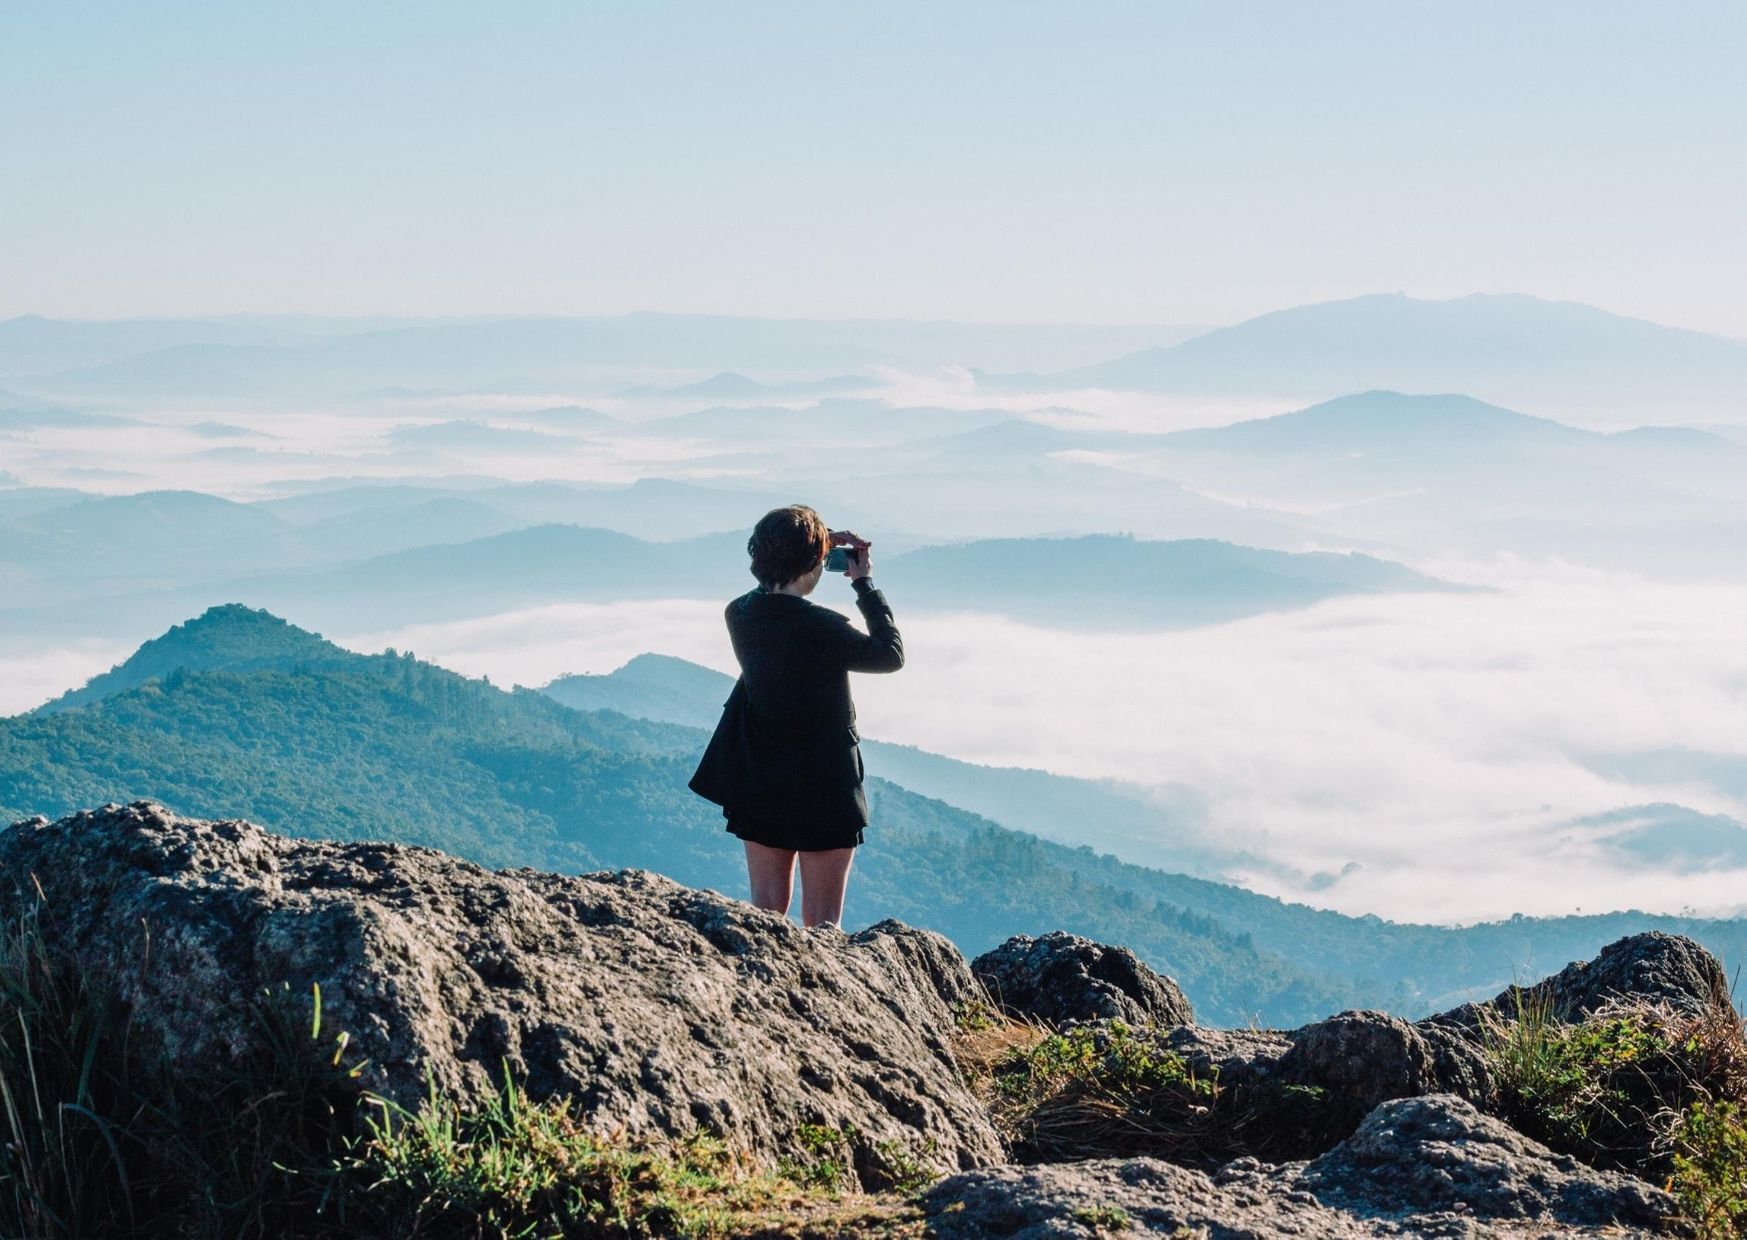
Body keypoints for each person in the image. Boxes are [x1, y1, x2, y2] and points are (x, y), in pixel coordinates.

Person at [688, 504, 903, 928]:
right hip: (825, 782)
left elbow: (772, 604)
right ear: (812, 563)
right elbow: (890, 655)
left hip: (760, 776)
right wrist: (865, 585)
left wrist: (814, 545)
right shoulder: (823, 627)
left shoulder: (740, 613)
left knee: (765, 913)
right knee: (823, 925)